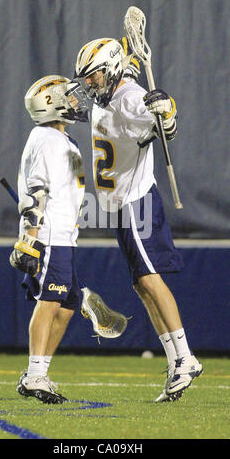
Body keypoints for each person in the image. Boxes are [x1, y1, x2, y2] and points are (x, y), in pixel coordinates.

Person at [74, 37, 203, 402]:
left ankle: (186, 357)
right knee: (140, 285)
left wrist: (167, 110)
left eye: (94, 75)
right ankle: (175, 360)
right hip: (117, 203)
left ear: (111, 69)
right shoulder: (113, 92)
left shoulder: (130, 97)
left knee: (149, 277)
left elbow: (166, 128)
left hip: (133, 201)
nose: (89, 83)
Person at [9, 75, 89, 404]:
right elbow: (36, 190)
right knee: (51, 301)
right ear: (51, 103)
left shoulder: (66, 142)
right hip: (49, 234)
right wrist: (30, 239)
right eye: (68, 97)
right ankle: (35, 375)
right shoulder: (45, 137)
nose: (75, 101)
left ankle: (36, 373)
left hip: (64, 235)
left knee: (68, 303)